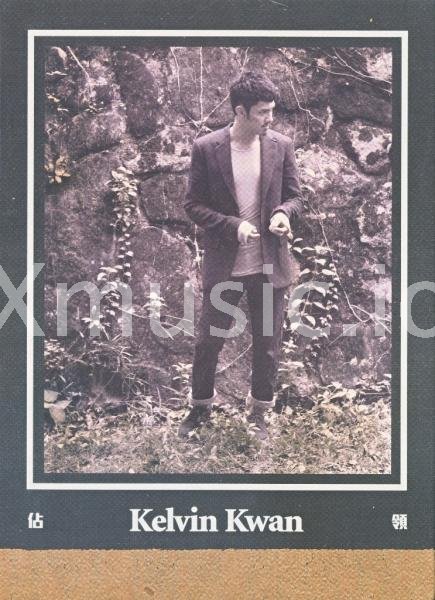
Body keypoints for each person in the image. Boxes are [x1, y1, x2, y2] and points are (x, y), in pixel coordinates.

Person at [178, 71, 304, 440]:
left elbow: (296, 197)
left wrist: (283, 213)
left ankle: (259, 415)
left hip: (268, 264)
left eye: (272, 110)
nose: (270, 118)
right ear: (240, 111)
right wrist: (233, 225)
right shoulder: (207, 148)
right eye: (263, 112)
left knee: (267, 346)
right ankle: (200, 410)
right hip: (226, 265)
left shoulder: (281, 146)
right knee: (208, 342)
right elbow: (193, 205)